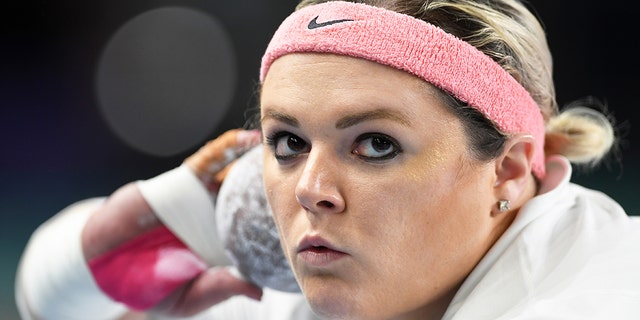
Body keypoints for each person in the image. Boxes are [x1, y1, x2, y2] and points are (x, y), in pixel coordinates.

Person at [15, 0, 640, 319]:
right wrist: (163, 221)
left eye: (374, 144)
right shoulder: (304, 282)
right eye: (287, 142)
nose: (311, 189)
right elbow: (46, 301)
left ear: (507, 168)